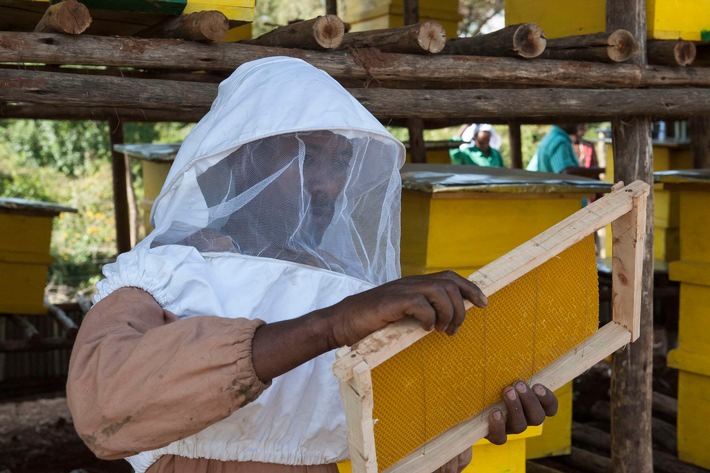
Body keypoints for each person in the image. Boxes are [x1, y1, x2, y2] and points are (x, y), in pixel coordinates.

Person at [66, 57, 558, 473]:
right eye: (303, 159)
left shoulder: (350, 288)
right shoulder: (161, 277)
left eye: (340, 162)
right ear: (241, 163)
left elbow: (394, 443)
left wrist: (471, 418)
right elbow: (102, 408)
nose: (326, 185)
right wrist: (330, 325)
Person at [526, 124, 603, 178]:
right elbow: (566, 172)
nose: (577, 124)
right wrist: (601, 170)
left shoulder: (550, 137)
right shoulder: (559, 141)